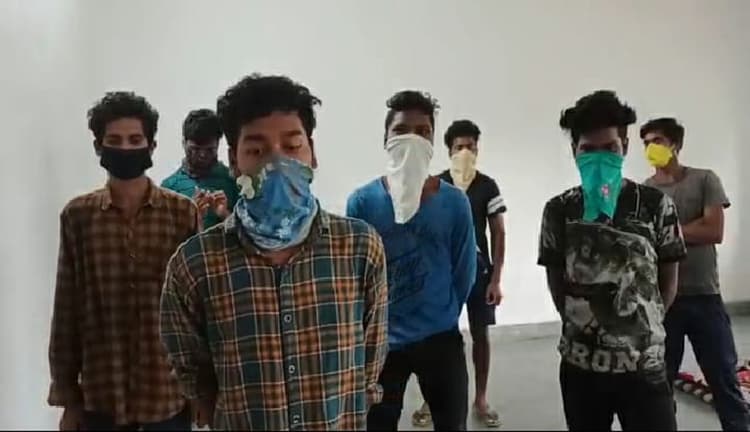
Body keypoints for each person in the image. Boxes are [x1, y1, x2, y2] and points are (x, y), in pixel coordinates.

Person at [159, 74, 389, 431]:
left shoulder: (360, 248)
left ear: (312, 154)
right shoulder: (194, 264)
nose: (277, 162)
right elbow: (192, 369)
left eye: (292, 146)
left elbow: (370, 360)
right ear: (234, 161)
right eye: (257, 151)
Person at [48, 92, 199, 431]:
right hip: (102, 394)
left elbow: (197, 310)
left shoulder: (182, 214)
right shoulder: (78, 217)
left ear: (151, 146)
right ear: (98, 147)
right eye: (114, 141)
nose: (125, 148)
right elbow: (67, 308)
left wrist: (200, 390)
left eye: (135, 140)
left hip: (167, 395)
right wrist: (68, 398)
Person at [537, 90, 686, 431]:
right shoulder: (559, 210)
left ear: (625, 147)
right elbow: (557, 282)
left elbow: (668, 280)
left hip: (645, 367)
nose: (599, 159)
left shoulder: (655, 205)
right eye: (588, 150)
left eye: (610, 148)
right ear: (574, 151)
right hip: (581, 368)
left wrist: (641, 329)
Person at [347, 90, 477, 431]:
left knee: (452, 424)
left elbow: (464, 271)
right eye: (402, 130)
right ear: (386, 139)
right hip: (382, 342)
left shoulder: (454, 203)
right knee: (377, 424)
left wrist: (444, 312)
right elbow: (356, 276)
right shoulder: (362, 203)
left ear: (433, 142)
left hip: (440, 336)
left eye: (423, 132)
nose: (413, 140)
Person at [642, 117, 750, 431]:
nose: (651, 148)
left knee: (724, 378)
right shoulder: (646, 191)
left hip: (704, 296)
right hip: (664, 299)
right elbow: (645, 241)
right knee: (659, 384)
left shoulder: (705, 180)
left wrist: (667, 232)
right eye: (646, 143)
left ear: (675, 144)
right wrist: (691, 229)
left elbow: (714, 230)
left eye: (657, 141)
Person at [412, 119, 505, 429]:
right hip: (442, 274)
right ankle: (431, 399)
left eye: (471, 147)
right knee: (435, 338)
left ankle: (481, 399)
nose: (465, 152)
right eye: (459, 147)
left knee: (481, 335)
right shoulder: (435, 185)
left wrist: (495, 279)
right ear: (449, 150)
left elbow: (498, 232)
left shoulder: (487, 186)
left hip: (479, 272)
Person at [161, 108, 238, 230]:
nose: (202, 155)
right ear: (184, 143)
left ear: (218, 144)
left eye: (209, 150)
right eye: (195, 149)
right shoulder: (169, 188)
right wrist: (190, 218)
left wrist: (225, 214)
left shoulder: (233, 181)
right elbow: (164, 236)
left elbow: (248, 234)